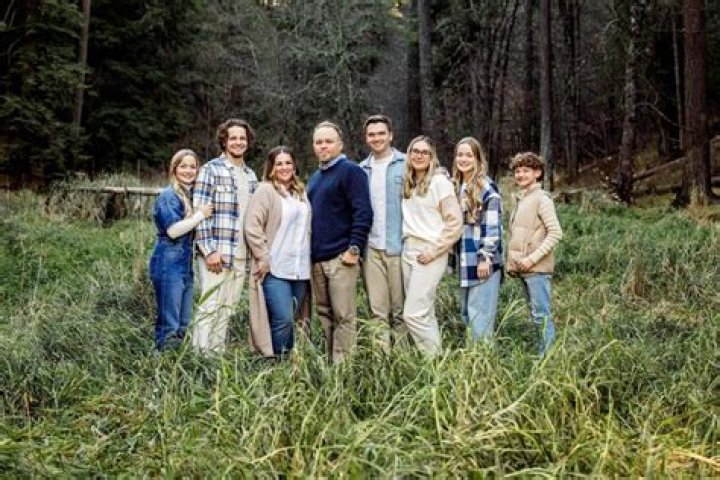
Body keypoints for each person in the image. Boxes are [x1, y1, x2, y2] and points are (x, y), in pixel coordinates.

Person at [307, 121, 373, 363]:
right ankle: (329, 364)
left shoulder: (351, 172)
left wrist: (354, 248)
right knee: (324, 314)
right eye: (319, 142)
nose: (323, 146)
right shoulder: (315, 178)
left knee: (343, 316)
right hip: (317, 259)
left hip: (341, 257)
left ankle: (343, 369)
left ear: (340, 144)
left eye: (328, 141)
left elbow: (363, 212)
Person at [192, 118, 258, 353]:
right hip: (217, 253)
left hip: (241, 254)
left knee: (227, 308)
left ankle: (216, 354)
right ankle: (199, 355)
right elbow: (199, 213)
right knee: (209, 306)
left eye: (242, 138)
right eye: (233, 138)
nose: (238, 142)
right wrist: (208, 251)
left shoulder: (251, 176)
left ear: (248, 142)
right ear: (224, 141)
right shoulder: (210, 170)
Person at [245, 146, 311, 357]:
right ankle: (275, 363)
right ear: (271, 167)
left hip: (300, 268)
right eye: (279, 163)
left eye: (288, 163)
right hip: (274, 266)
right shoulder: (265, 191)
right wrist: (262, 257)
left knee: (294, 319)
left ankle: (290, 363)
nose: (284, 167)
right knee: (283, 319)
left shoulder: (300, 192)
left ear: (294, 166)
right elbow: (252, 226)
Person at [401, 135, 462, 356]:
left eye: (424, 152)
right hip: (408, 249)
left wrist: (435, 250)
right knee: (425, 312)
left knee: (413, 314)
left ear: (432, 156)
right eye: (415, 151)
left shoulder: (440, 182)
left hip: (429, 251)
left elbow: (455, 223)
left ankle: (435, 360)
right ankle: (432, 360)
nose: (419, 156)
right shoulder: (408, 181)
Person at [149, 149, 213, 350]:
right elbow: (173, 231)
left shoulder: (191, 196)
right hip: (168, 261)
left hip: (185, 263)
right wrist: (200, 215)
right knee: (170, 322)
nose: (188, 171)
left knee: (183, 321)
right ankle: (164, 361)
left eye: (193, 167)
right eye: (183, 166)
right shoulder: (169, 196)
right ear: (174, 169)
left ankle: (177, 360)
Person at [506, 152, 563, 356]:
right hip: (523, 268)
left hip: (536, 269)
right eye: (517, 171)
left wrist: (532, 259)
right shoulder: (522, 199)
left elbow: (555, 233)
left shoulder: (542, 199)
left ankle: (548, 357)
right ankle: (543, 351)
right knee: (535, 314)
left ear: (537, 173)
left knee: (541, 314)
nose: (520, 175)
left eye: (526, 171)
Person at [358, 115, 407, 351]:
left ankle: (403, 359)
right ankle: (381, 361)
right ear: (366, 138)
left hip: (399, 247)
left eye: (381, 134)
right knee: (377, 311)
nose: (376, 138)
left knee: (400, 310)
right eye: (371, 135)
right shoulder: (361, 170)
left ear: (390, 135)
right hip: (371, 250)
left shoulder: (406, 164)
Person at [452, 137, 503, 342]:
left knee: (480, 317)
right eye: (460, 155)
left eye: (469, 155)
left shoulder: (486, 188)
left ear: (478, 159)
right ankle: (473, 355)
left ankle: (483, 358)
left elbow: (492, 227)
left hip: (481, 261)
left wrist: (485, 257)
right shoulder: (457, 186)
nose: (463, 159)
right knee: (467, 313)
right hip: (465, 260)